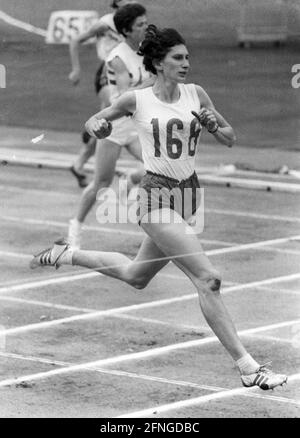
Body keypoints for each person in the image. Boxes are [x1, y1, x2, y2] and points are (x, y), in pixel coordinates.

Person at [31, 25, 287, 390]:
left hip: (188, 196)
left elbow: (231, 138)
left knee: (137, 276)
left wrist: (215, 126)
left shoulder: (196, 93)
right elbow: (94, 121)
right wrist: (98, 125)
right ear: (158, 63)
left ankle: (67, 254)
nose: (186, 64)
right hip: (156, 197)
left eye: (187, 58)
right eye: (177, 58)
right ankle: (248, 367)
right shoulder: (138, 100)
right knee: (208, 279)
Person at [68, 3, 152, 248]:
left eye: (146, 22)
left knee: (157, 168)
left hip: (136, 125)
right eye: (140, 25)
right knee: (101, 183)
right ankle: (75, 226)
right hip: (115, 126)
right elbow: (127, 95)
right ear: (126, 30)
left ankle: (130, 180)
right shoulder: (117, 58)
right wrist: (155, 81)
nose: (146, 27)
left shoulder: (147, 50)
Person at [69, 0, 135, 187]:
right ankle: (111, 166)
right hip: (106, 73)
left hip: (123, 72)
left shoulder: (131, 25)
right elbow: (76, 40)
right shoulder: (105, 24)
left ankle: (80, 164)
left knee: (106, 122)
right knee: (118, 113)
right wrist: (75, 70)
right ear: (117, 4)